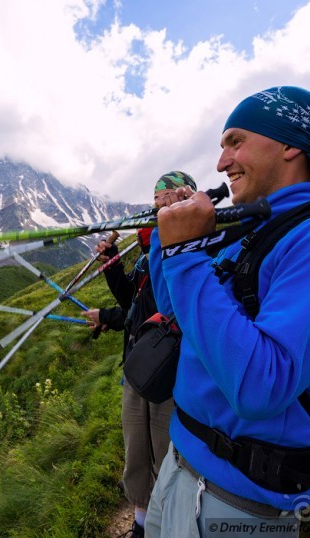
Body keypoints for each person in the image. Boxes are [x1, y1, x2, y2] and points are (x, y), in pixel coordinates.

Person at [144, 86, 310, 537]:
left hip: (235, 501)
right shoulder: (252, 230)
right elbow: (175, 312)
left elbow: (261, 387)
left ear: (290, 143)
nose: (221, 163)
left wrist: (185, 256)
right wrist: (168, 241)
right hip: (180, 465)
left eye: (235, 141)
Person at [82, 171, 198, 538]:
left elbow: (163, 305)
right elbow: (132, 302)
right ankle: (141, 523)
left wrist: (168, 237)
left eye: (165, 201)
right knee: (136, 452)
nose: (157, 207)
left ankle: (169, 524)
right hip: (138, 368)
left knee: (166, 451)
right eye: (155, 202)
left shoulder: (191, 250)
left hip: (170, 372)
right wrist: (114, 260)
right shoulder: (148, 260)